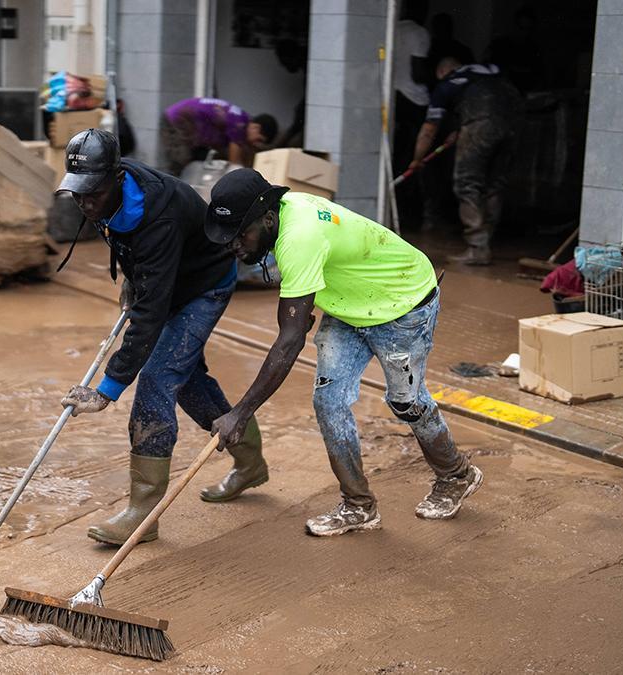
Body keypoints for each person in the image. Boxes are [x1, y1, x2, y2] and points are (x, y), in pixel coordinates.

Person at [205, 169, 483, 536]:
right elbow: (294, 320)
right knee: (329, 400)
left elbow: (289, 342)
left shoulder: (299, 238)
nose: (235, 247)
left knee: (406, 402)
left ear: (268, 219)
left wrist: (240, 413)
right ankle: (358, 505)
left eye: (241, 235)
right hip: (349, 305)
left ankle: (456, 475)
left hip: (403, 301)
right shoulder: (282, 213)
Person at [55, 129, 268, 545]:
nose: (85, 203)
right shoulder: (109, 193)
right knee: (187, 380)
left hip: (204, 285)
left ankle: (143, 512)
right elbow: (135, 254)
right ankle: (250, 462)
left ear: (115, 179)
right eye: (78, 193)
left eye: (91, 193)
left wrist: (107, 388)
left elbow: (150, 318)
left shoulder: (159, 214)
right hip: (170, 277)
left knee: (155, 380)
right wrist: (134, 281)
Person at [409, 56, 523, 265]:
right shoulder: (489, 69)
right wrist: (463, 127)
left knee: (467, 183)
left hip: (480, 124)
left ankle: (478, 248)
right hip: (514, 124)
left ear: (442, 72)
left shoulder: (446, 84)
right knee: (495, 184)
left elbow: (429, 129)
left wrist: (417, 159)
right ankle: (485, 240)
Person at [390, 0, 431, 231]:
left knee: (399, 159)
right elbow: (418, 73)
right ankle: (423, 217)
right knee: (419, 161)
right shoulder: (419, 32)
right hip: (415, 99)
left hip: (396, 98)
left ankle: (402, 212)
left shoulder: (393, 28)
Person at [160, 97, 277, 174]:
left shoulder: (239, 120)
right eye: (258, 140)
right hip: (176, 122)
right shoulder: (239, 123)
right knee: (178, 165)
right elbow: (234, 164)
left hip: (188, 128)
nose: (255, 144)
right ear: (256, 127)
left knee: (197, 161)